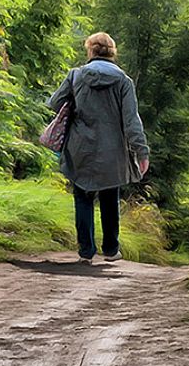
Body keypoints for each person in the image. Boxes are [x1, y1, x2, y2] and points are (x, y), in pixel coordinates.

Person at [47, 32, 149, 264]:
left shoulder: (76, 76)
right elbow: (132, 120)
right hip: (112, 150)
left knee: (82, 196)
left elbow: (54, 103)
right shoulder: (124, 81)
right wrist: (141, 152)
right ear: (112, 52)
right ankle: (111, 250)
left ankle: (86, 251)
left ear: (90, 50)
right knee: (109, 196)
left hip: (80, 147)